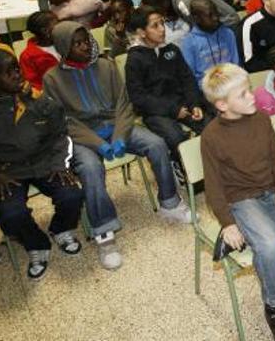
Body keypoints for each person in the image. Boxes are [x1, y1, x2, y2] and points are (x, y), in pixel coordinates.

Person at [42, 22, 192, 270]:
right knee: (90, 169)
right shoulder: (52, 79)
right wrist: (98, 144)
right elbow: (64, 121)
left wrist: (120, 135)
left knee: (155, 144)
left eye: (86, 39)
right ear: (62, 47)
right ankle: (104, 232)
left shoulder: (106, 65)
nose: (85, 46)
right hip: (82, 136)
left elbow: (123, 105)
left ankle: (170, 202)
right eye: (76, 43)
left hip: (116, 125)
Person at [200, 63, 275, 340]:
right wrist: (228, 223)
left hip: (269, 194)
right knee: (270, 244)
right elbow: (214, 187)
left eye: (249, 90)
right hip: (240, 201)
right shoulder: (211, 137)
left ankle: (251, 234)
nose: (252, 96)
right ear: (222, 104)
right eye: (243, 95)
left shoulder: (261, 119)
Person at [0, 49, 84, 281]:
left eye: (16, 67)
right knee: (10, 213)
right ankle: (36, 244)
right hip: (8, 171)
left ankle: (60, 229)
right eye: (7, 72)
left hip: (45, 162)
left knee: (72, 194)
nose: (16, 74)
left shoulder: (40, 101)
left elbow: (60, 135)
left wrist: (60, 164)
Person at [125, 6, 209, 174]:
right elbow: (138, 97)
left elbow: (187, 79)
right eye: (155, 26)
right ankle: (183, 168)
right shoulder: (135, 59)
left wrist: (194, 104)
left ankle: (212, 166)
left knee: (209, 125)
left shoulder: (171, 50)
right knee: (175, 137)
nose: (162, 29)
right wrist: (172, 110)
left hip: (182, 103)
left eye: (162, 23)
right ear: (141, 32)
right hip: (155, 110)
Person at [181, 0, 240, 84]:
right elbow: (191, 77)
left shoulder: (227, 33)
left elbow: (236, 64)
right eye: (210, 15)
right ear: (196, 18)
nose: (215, 18)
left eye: (216, 13)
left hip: (231, 84)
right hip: (206, 90)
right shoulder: (189, 42)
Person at [19, 11, 60, 93]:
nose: (61, 26)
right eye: (57, 24)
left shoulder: (64, 42)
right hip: (51, 95)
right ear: (45, 31)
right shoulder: (28, 56)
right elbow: (34, 84)